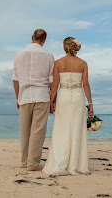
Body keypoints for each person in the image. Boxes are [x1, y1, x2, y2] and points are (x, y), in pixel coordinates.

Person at [42, 37, 93, 175]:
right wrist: (91, 105)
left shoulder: (58, 63)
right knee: (76, 129)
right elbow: (86, 85)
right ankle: (74, 166)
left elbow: (55, 85)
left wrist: (51, 102)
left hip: (63, 96)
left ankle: (60, 163)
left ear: (65, 48)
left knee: (62, 129)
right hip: (78, 97)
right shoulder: (83, 63)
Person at [12, 29, 55, 171]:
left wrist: (18, 98)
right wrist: (53, 99)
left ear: (32, 37)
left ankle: (25, 162)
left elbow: (15, 79)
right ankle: (33, 164)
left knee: (24, 130)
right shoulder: (48, 55)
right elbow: (51, 81)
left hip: (24, 96)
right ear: (44, 40)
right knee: (38, 131)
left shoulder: (19, 55)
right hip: (42, 96)